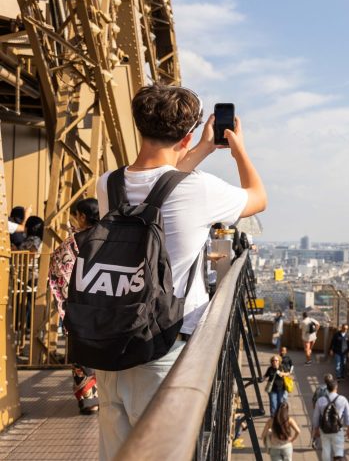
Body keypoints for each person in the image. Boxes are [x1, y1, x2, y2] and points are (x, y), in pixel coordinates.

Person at [94, 83, 267, 460]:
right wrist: (237, 150)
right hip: (162, 345)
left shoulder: (108, 183)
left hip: (110, 346)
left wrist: (199, 148)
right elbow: (258, 196)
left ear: (139, 125)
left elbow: (161, 185)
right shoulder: (200, 190)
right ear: (186, 135)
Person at [48, 198, 101, 415]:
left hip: (81, 307)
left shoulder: (71, 244)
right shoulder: (114, 239)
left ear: (81, 216)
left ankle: (90, 401)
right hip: (110, 304)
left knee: (83, 353)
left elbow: (59, 273)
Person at [312, 379, 349, 461]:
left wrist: (316, 429)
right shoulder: (343, 399)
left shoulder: (320, 400)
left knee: (326, 449)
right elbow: (348, 416)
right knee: (338, 450)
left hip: (324, 429)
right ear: (336, 387)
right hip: (338, 428)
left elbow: (316, 417)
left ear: (327, 388)